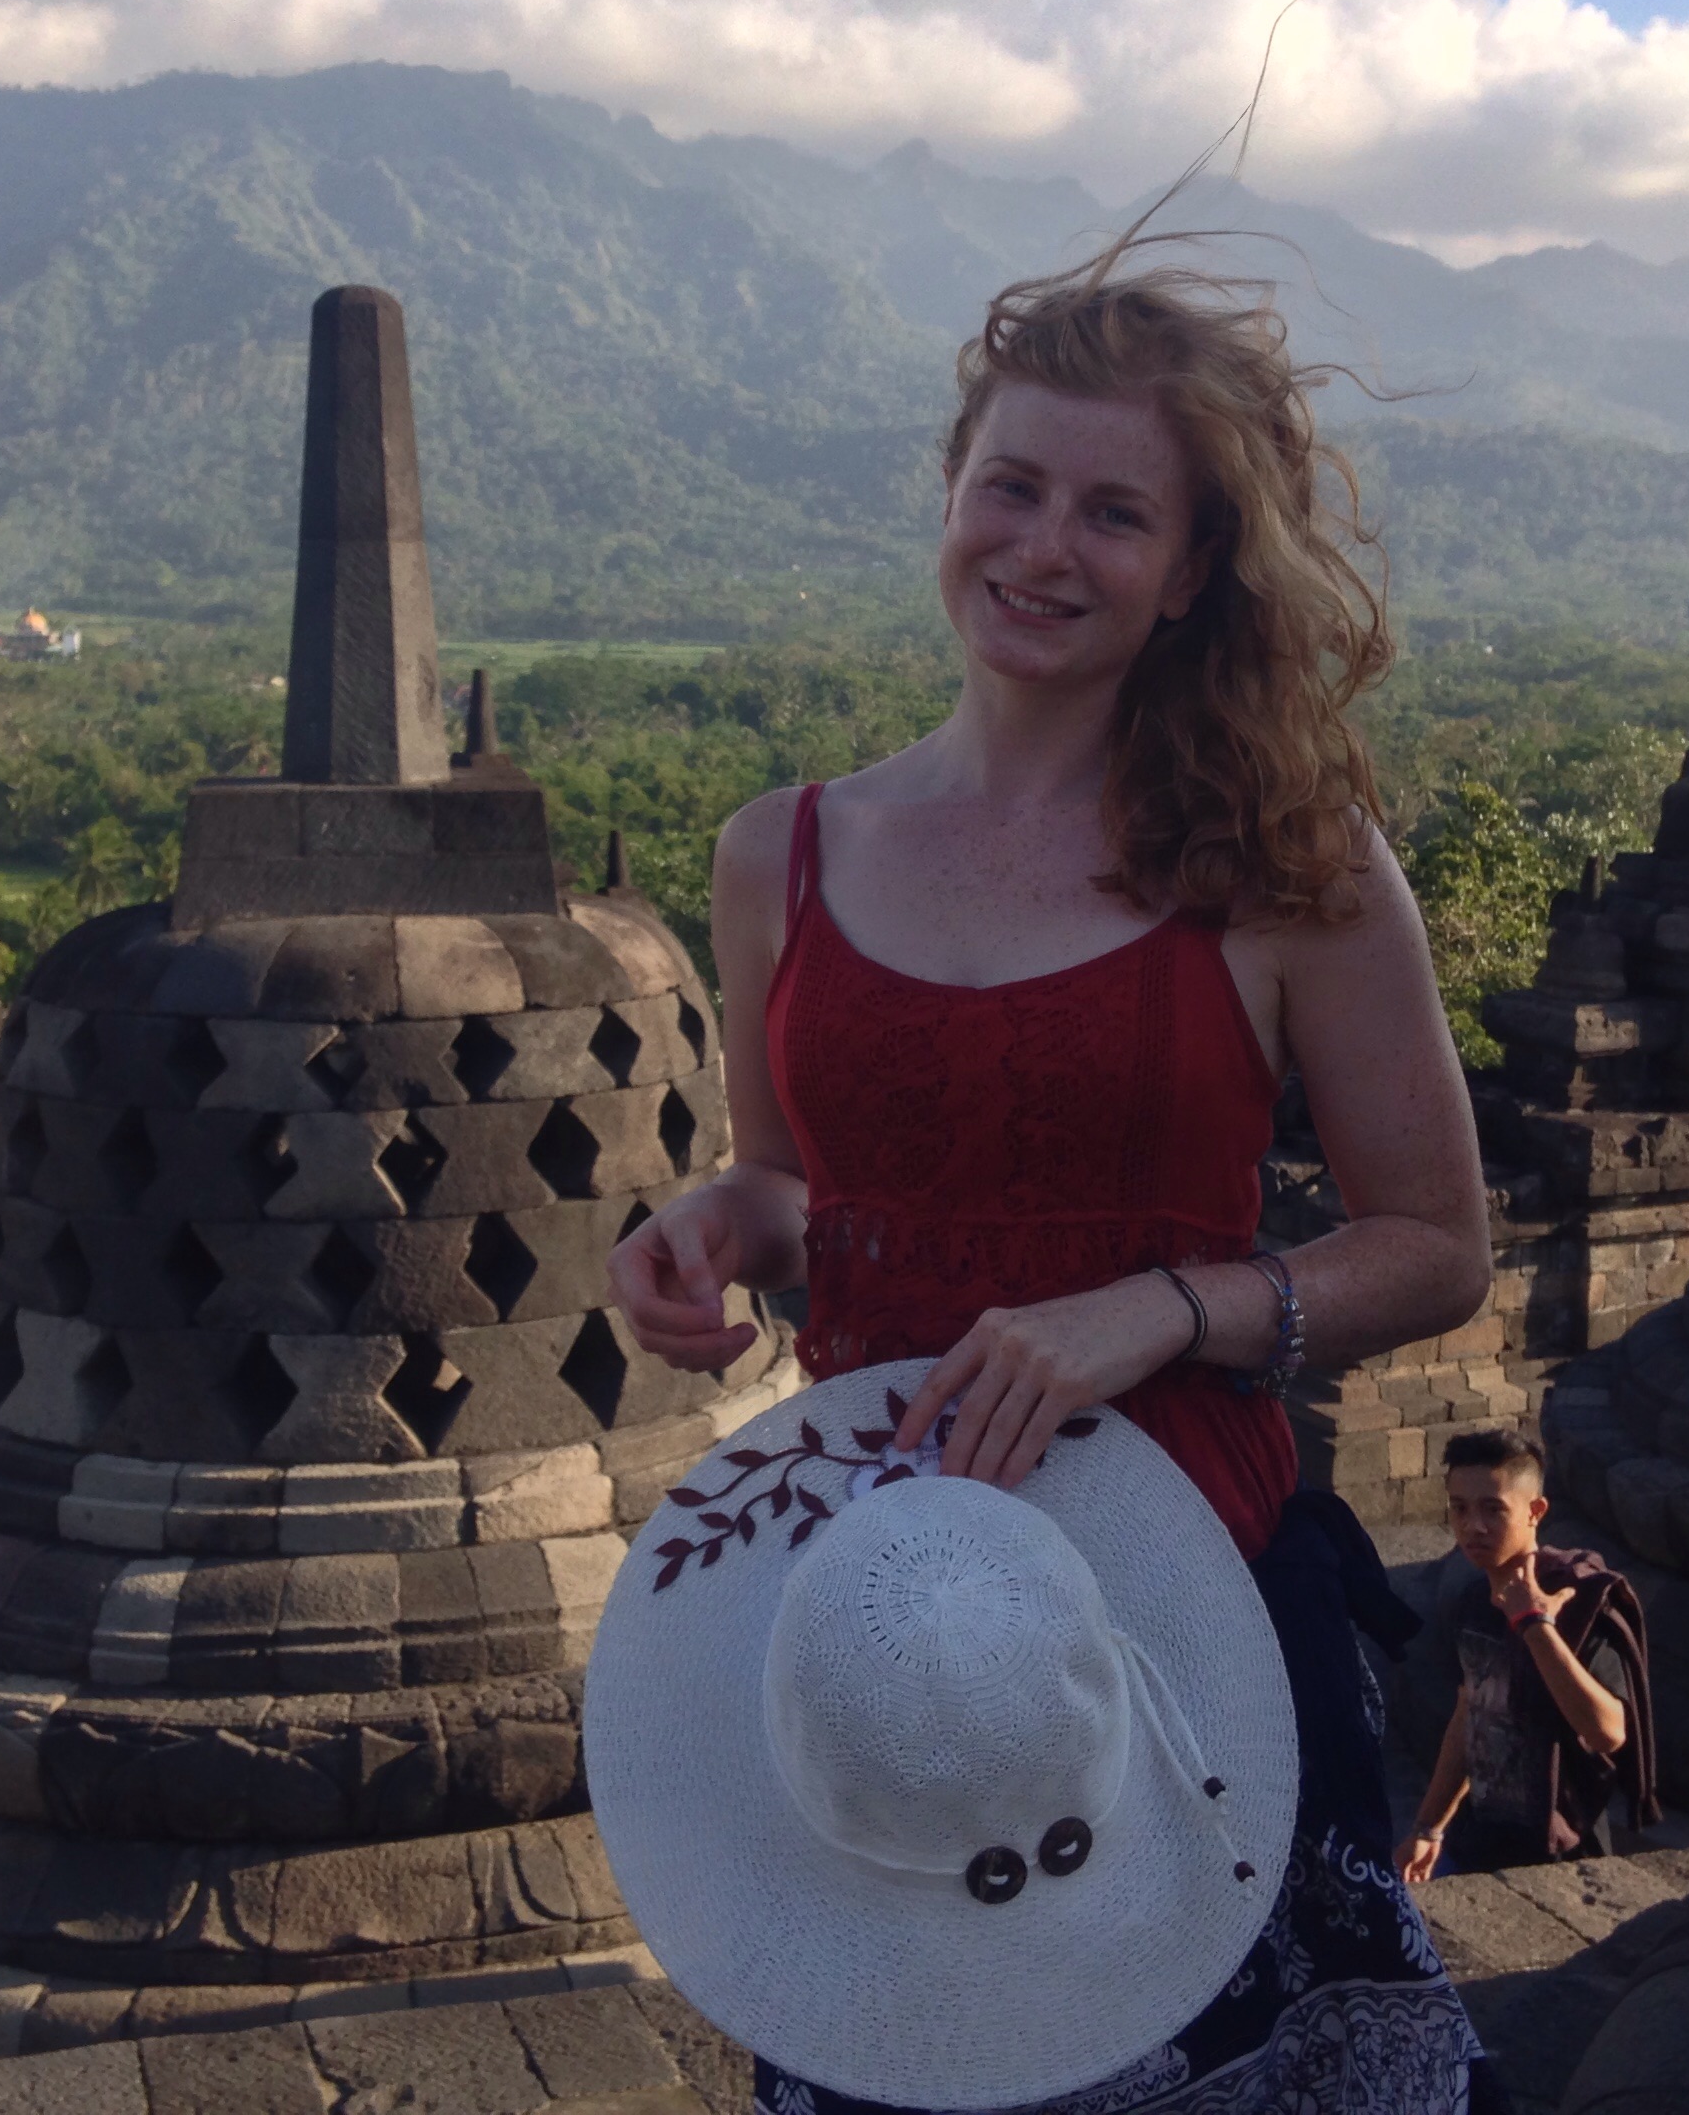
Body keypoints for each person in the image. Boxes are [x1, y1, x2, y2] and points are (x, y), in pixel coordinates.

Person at [609, 244, 1503, 2115]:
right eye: (1008, 484)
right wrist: (710, 1224)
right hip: (883, 1631)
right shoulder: (783, 851)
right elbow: (802, 1194)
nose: (1041, 544)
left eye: (1114, 512)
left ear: (1188, 574)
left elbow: (1435, 1248)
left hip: (1179, 1621)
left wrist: (1157, 1310)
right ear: (948, 494)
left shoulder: (1282, 862)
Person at [1399, 1428, 1659, 1881]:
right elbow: (1470, 1713)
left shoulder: (1579, 1601)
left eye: (1493, 1509)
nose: (1472, 1526)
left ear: (1535, 1511)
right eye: (1459, 1508)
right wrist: (1429, 1825)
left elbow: (1609, 1734)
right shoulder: (1473, 1601)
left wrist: (1535, 1626)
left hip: (1556, 1852)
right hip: (1477, 1838)